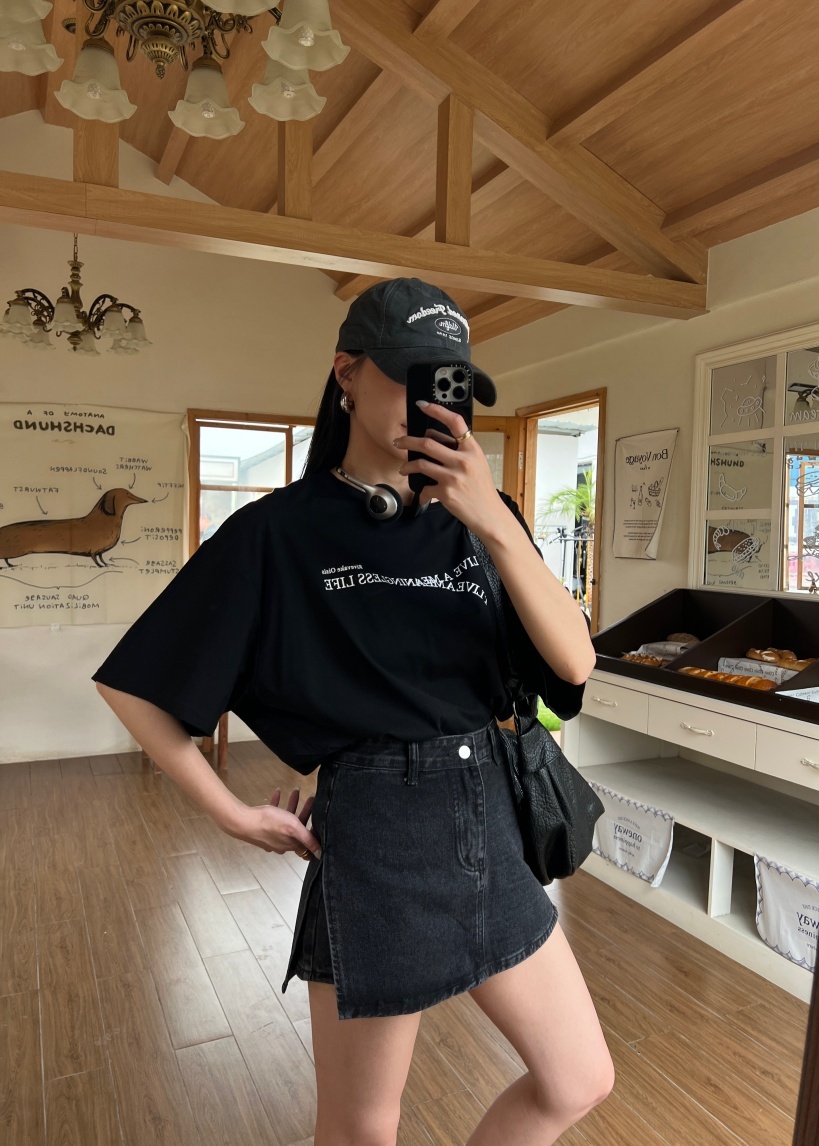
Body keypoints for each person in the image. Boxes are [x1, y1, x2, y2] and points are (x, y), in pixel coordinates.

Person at [92, 277, 613, 1146]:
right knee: (363, 1128)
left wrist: (492, 520)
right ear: (347, 372)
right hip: (377, 834)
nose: (433, 402)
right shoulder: (278, 532)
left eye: (452, 384)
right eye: (411, 375)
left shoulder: (486, 521)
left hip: (491, 820)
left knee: (579, 1079)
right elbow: (135, 684)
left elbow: (574, 663)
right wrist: (228, 812)